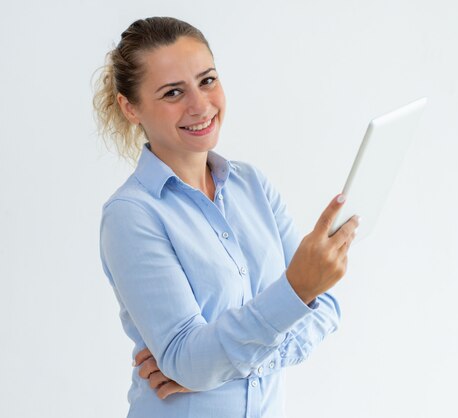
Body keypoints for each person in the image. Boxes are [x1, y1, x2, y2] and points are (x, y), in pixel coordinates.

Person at [93, 16, 360, 418]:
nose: (200, 105)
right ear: (131, 108)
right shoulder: (132, 216)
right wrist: (295, 290)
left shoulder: (252, 185)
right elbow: (188, 359)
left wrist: (220, 368)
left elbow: (326, 308)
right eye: (172, 92)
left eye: (207, 80)